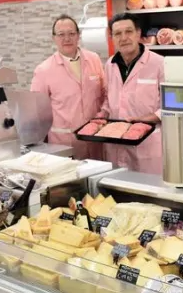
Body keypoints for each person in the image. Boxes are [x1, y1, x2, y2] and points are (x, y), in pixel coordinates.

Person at [30, 14, 106, 159]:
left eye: (71, 33)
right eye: (61, 34)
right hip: (64, 145)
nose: (67, 38)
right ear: (54, 38)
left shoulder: (93, 59)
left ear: (78, 35)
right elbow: (37, 112)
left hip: (96, 140)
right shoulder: (44, 70)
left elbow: (104, 93)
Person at [99, 12, 164, 174]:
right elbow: (109, 100)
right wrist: (101, 117)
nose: (123, 38)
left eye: (128, 32)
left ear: (138, 33)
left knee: (149, 193)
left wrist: (144, 120)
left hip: (147, 145)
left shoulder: (159, 63)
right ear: (112, 37)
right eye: (117, 34)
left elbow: (172, 107)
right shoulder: (110, 64)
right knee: (118, 191)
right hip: (117, 142)